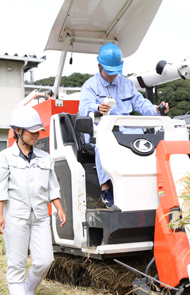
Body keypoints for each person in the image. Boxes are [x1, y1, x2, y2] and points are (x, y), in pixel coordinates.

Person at [0, 106, 67, 295]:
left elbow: (53, 187)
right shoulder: (4, 158)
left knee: (45, 260)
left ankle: (29, 289)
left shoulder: (45, 158)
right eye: (31, 131)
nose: (36, 135)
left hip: (40, 217)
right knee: (16, 264)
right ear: (17, 131)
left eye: (38, 131)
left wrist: (59, 208)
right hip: (15, 217)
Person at [79, 42, 169, 208]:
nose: (113, 76)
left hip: (125, 128)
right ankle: (106, 188)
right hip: (101, 130)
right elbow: (84, 108)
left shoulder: (126, 84)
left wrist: (157, 110)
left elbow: (141, 104)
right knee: (103, 144)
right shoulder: (90, 86)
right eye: (109, 72)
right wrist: (97, 108)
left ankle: (146, 184)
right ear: (99, 65)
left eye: (115, 72)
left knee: (145, 140)